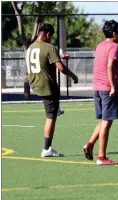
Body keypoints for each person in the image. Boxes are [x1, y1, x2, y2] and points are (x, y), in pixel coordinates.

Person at [26, 23, 78, 157]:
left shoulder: (31, 47)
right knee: (51, 117)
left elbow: (42, 56)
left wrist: (59, 55)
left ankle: (57, 108)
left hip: (35, 83)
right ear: (48, 35)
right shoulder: (49, 47)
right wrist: (73, 76)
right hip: (46, 86)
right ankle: (47, 149)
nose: (51, 39)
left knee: (53, 105)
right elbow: (61, 68)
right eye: (51, 37)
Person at [83, 20, 118, 165]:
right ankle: (101, 157)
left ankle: (89, 144)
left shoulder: (100, 46)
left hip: (97, 87)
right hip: (108, 89)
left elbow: (102, 67)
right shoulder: (114, 47)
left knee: (103, 120)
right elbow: (109, 67)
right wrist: (114, 87)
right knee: (107, 123)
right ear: (114, 34)